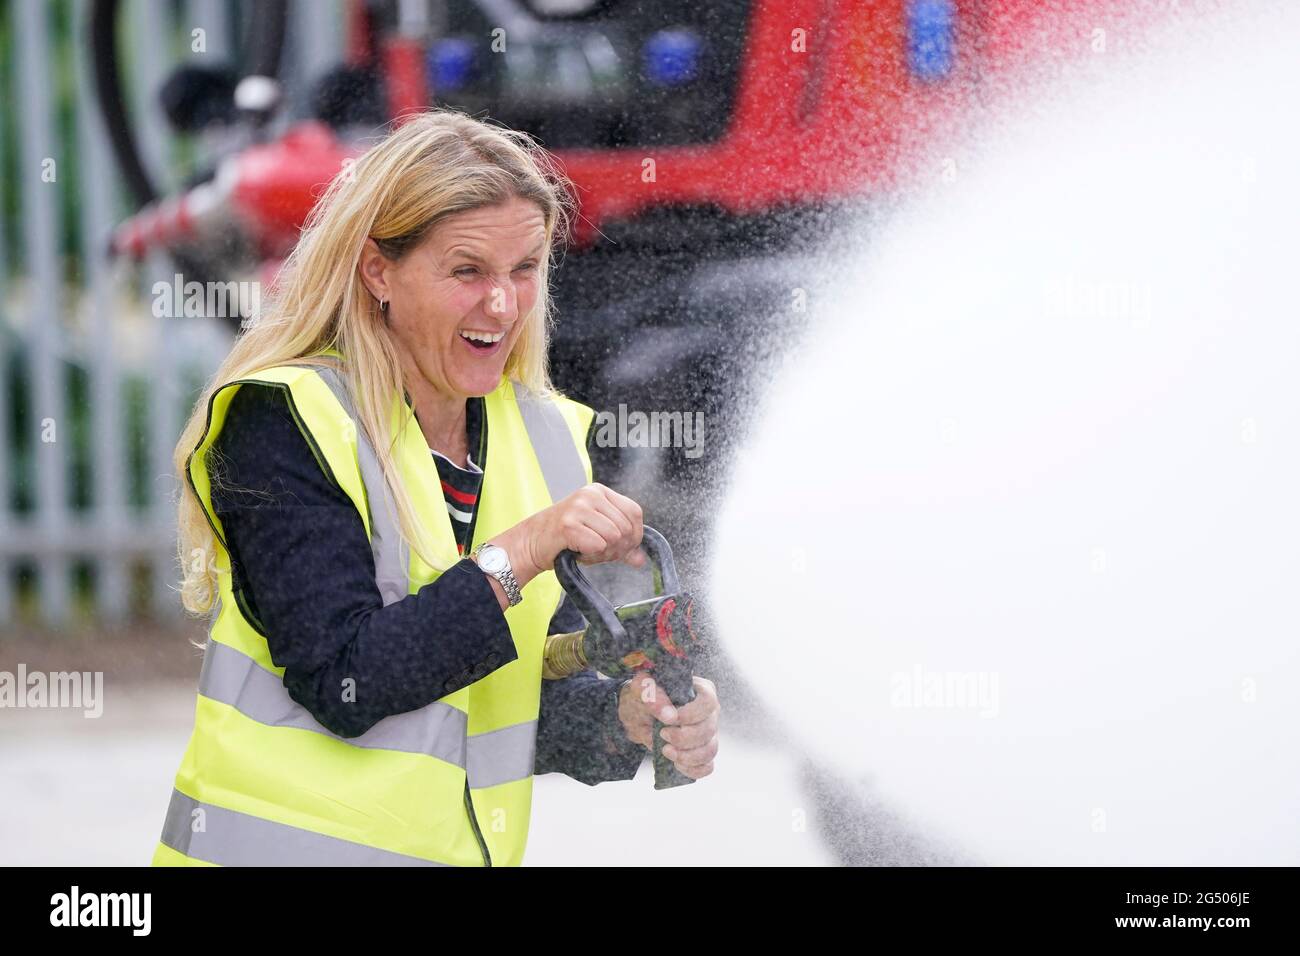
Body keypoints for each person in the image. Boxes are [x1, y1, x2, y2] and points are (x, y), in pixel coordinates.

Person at [152, 109, 720, 867]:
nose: (503, 304)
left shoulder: (545, 442)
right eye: (467, 271)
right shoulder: (286, 420)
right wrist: (519, 553)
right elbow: (348, 681)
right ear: (377, 270)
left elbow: (496, 701)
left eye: (524, 269)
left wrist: (629, 717)